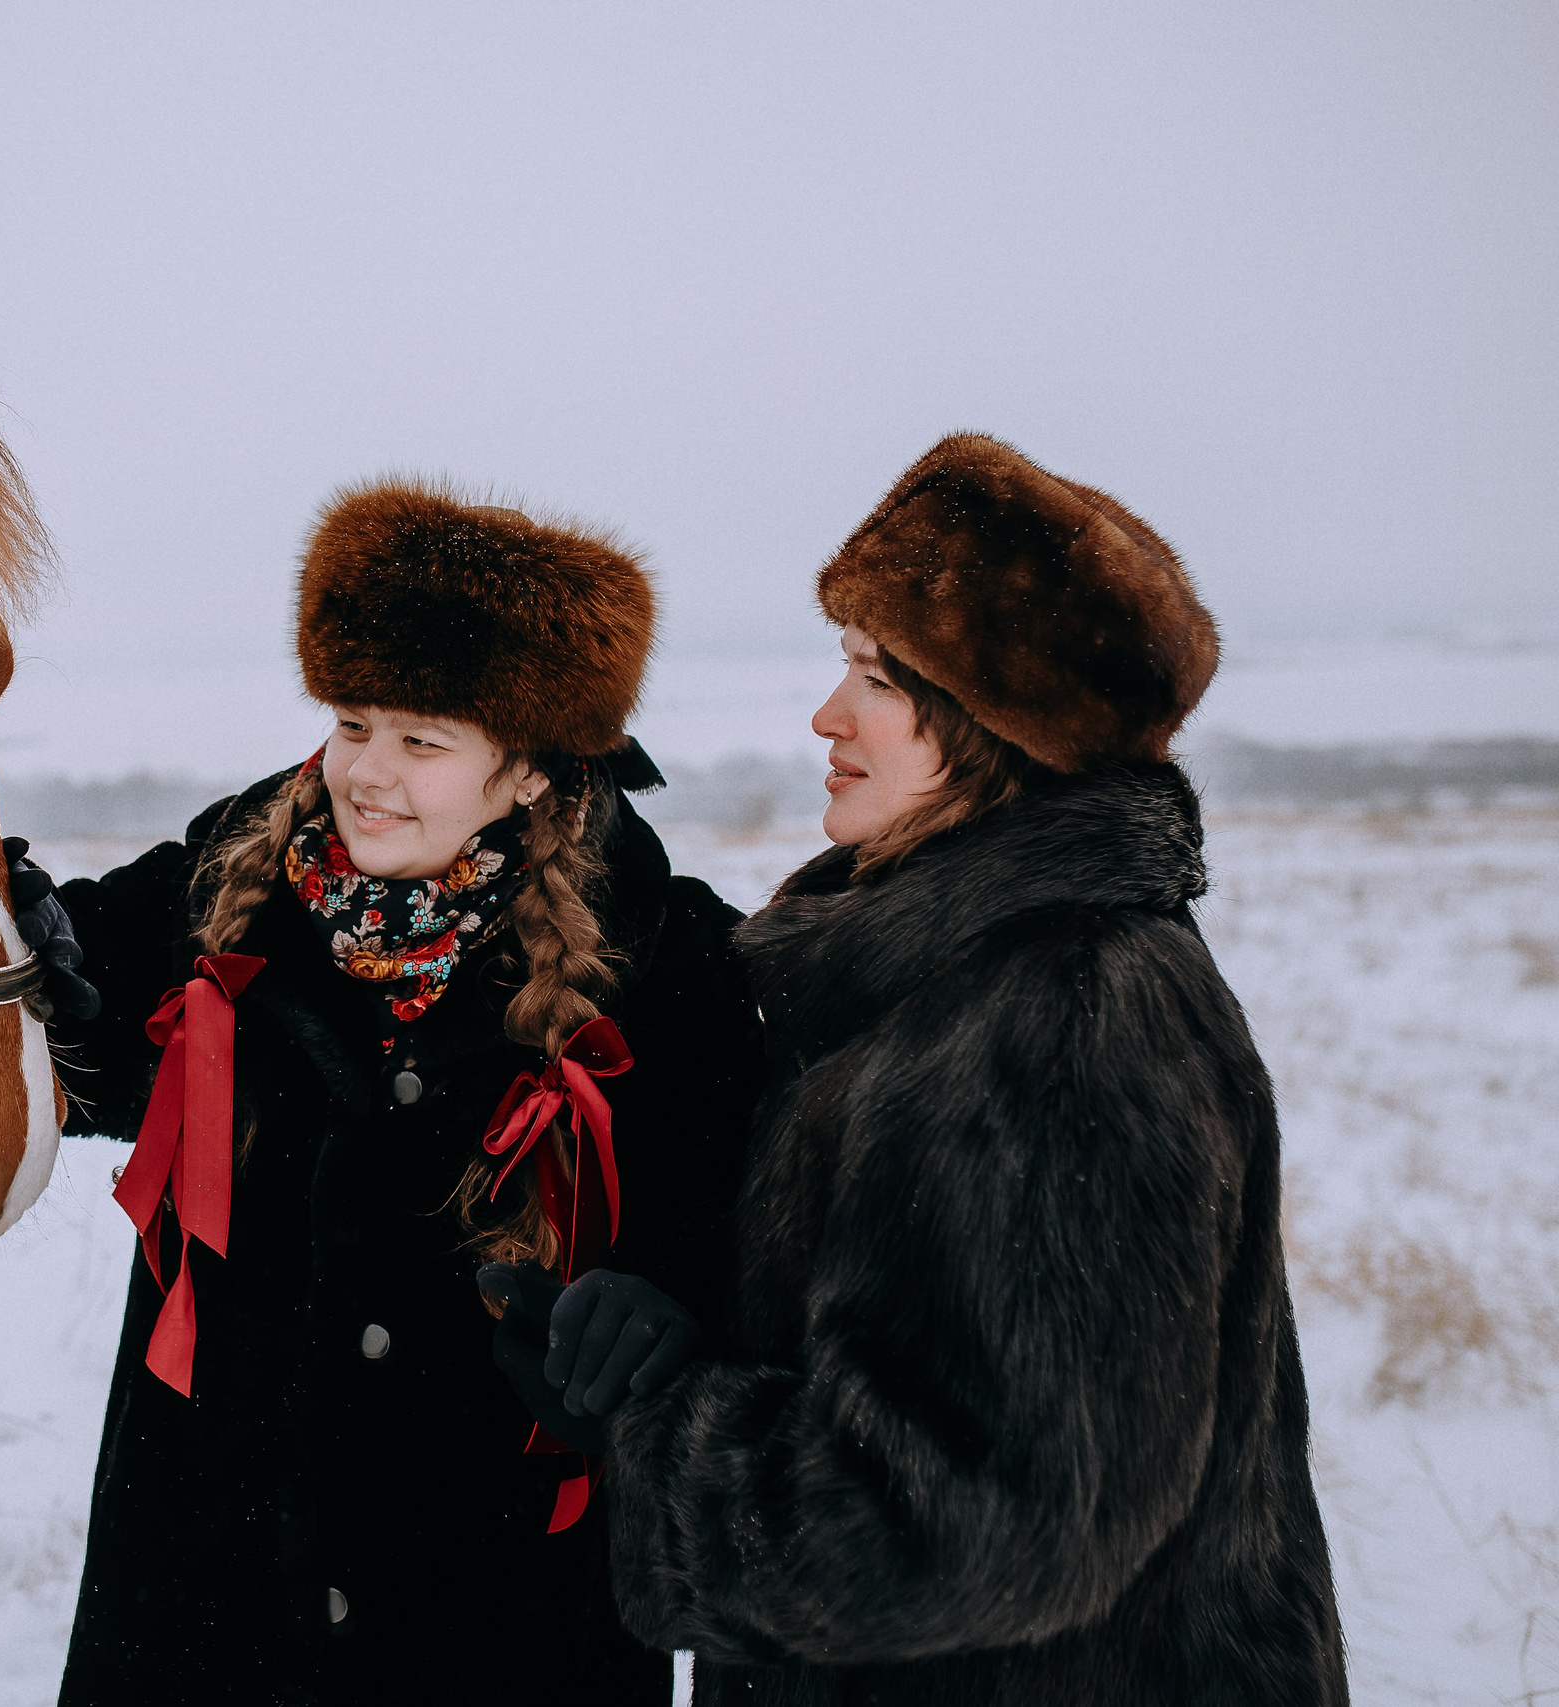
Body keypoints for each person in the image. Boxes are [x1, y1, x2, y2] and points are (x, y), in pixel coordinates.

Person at [490, 435, 1349, 1704]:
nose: (828, 716)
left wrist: (658, 1427)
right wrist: (676, 1315)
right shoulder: (953, 978)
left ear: (996, 725)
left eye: (878, 678)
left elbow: (979, 1522)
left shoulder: (1065, 1015)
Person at [35, 481, 765, 1705]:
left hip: (493, 1611)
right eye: (351, 723)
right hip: (211, 1589)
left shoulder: (666, 965)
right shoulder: (218, 892)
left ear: (529, 769)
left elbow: (734, 1224)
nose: (366, 773)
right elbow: (56, 1042)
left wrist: (671, 1306)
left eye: (423, 742)